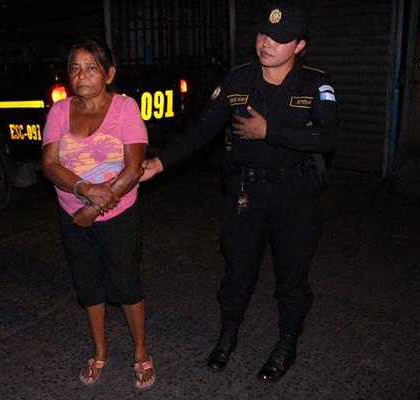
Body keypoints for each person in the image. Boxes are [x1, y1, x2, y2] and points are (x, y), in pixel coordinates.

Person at [140, 5, 337, 383]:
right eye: (263, 34)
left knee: (292, 276)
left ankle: (286, 343)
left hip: (295, 194)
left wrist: (270, 130)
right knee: (237, 271)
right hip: (245, 193)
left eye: (279, 39)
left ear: (299, 45)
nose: (267, 43)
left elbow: (326, 137)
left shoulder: (316, 84)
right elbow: (201, 131)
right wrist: (159, 163)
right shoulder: (236, 80)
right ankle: (228, 334)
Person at [41, 38, 155, 390]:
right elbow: (49, 163)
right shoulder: (59, 111)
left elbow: (134, 167)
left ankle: (140, 352)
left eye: (91, 67)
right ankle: (100, 351)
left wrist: (92, 210)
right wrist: (85, 191)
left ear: (109, 74)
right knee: (88, 286)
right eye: (75, 67)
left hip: (118, 215)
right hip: (72, 214)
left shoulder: (125, 108)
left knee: (126, 285)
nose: (82, 74)